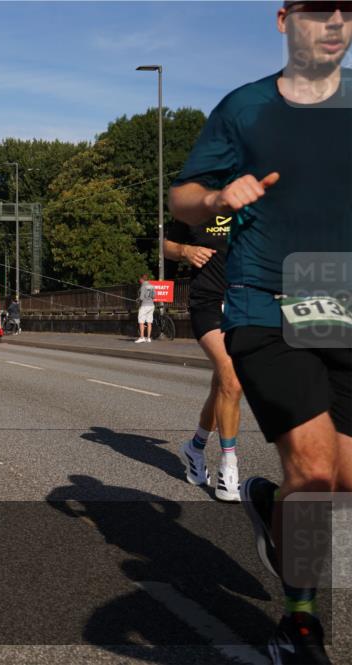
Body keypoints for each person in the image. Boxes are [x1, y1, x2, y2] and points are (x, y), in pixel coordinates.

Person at [169, 4, 351, 661]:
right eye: (315, 8)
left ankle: (275, 508)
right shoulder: (245, 108)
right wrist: (216, 199)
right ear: (283, 20)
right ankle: (298, 625)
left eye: (346, 9)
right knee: (315, 467)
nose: (333, 20)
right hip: (264, 302)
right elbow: (181, 195)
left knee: (337, 483)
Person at [166, 216, 244, 502]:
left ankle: (195, 447)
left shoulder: (254, 198)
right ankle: (229, 466)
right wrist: (185, 252)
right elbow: (167, 246)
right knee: (233, 379)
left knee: (223, 382)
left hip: (246, 301)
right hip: (207, 301)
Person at [135, 274, 155, 343]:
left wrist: (137, 300)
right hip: (151, 305)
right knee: (149, 322)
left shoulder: (143, 286)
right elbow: (154, 296)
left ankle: (142, 337)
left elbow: (141, 298)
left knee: (141, 322)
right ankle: (148, 338)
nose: (139, 281)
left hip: (144, 306)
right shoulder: (152, 286)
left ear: (142, 279)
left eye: (140, 280)